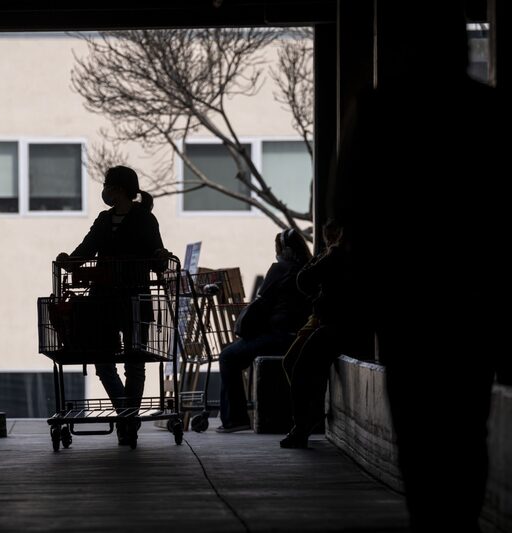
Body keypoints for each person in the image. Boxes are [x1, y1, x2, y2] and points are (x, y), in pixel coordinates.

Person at [332, 3, 502, 530]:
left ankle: (430, 518)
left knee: (417, 427)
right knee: (467, 425)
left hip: (403, 297)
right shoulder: (488, 112)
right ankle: (461, 518)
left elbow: (348, 207)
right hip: (473, 294)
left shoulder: (378, 110)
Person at [56, 165, 170, 445]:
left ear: (118, 189)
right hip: (103, 300)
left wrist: (159, 256)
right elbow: (86, 249)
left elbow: (157, 254)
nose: (104, 191)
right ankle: (126, 415)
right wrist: (69, 260)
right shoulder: (104, 220)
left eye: (107, 185)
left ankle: (126, 421)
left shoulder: (144, 218)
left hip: (135, 297)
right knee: (103, 360)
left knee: (135, 362)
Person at [279, 220, 368, 448]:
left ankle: (303, 425)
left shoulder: (337, 257)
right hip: (343, 325)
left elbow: (304, 280)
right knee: (300, 365)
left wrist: (329, 253)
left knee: (301, 367)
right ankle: (308, 419)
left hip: (337, 326)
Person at [216, 228, 311, 433]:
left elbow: (263, 302)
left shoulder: (280, 268)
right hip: (299, 337)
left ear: (283, 249)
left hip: (277, 336)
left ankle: (235, 419)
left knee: (228, 357)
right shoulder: (310, 268)